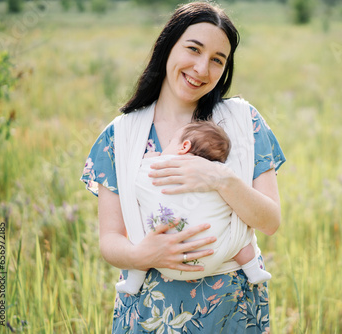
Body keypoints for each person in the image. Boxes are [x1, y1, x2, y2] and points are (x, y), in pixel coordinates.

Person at [81, 2, 285, 332]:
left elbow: (271, 221)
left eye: (217, 60)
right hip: (150, 308)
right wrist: (143, 255)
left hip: (232, 306)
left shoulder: (245, 124)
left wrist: (221, 178)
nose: (202, 69)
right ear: (168, 47)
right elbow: (110, 240)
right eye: (193, 49)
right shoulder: (119, 137)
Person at [115, 121, 271, 295]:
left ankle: (133, 283)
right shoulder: (222, 171)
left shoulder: (158, 164)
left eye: (171, 143)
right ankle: (253, 271)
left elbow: (136, 179)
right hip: (214, 253)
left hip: (158, 257)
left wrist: (149, 158)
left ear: (184, 146)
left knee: (140, 239)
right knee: (241, 240)